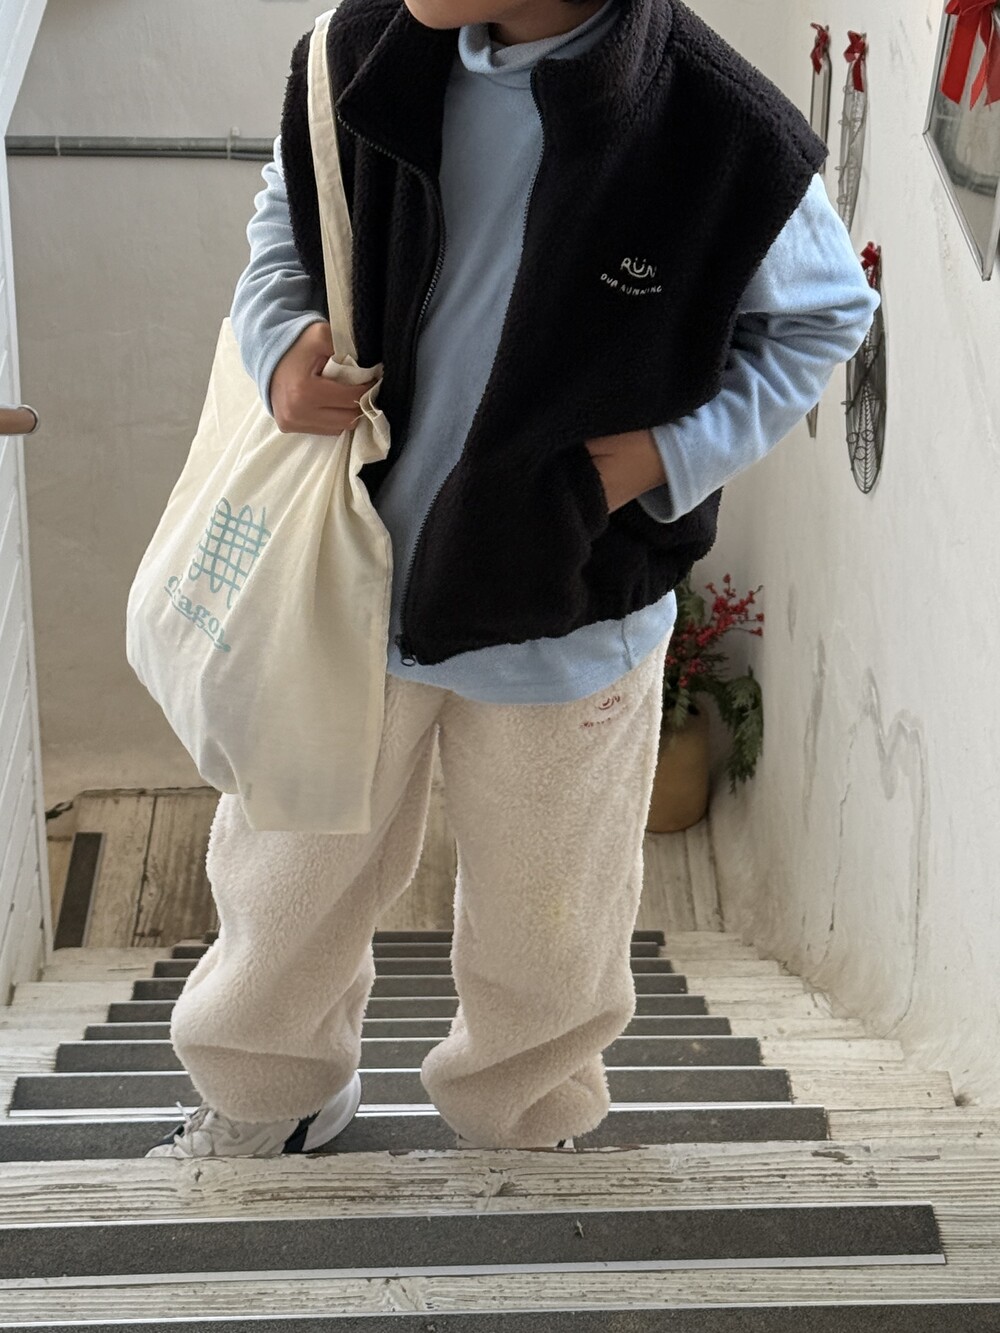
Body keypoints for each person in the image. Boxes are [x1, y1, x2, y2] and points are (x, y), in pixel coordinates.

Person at [146, 0, 880, 1159]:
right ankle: (267, 1091)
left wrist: (657, 459)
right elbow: (289, 213)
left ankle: (524, 1121)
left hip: (570, 604)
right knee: (285, 870)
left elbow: (824, 319)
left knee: (551, 915)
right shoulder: (357, 52)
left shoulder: (723, 129)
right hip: (349, 577)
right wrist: (278, 337)